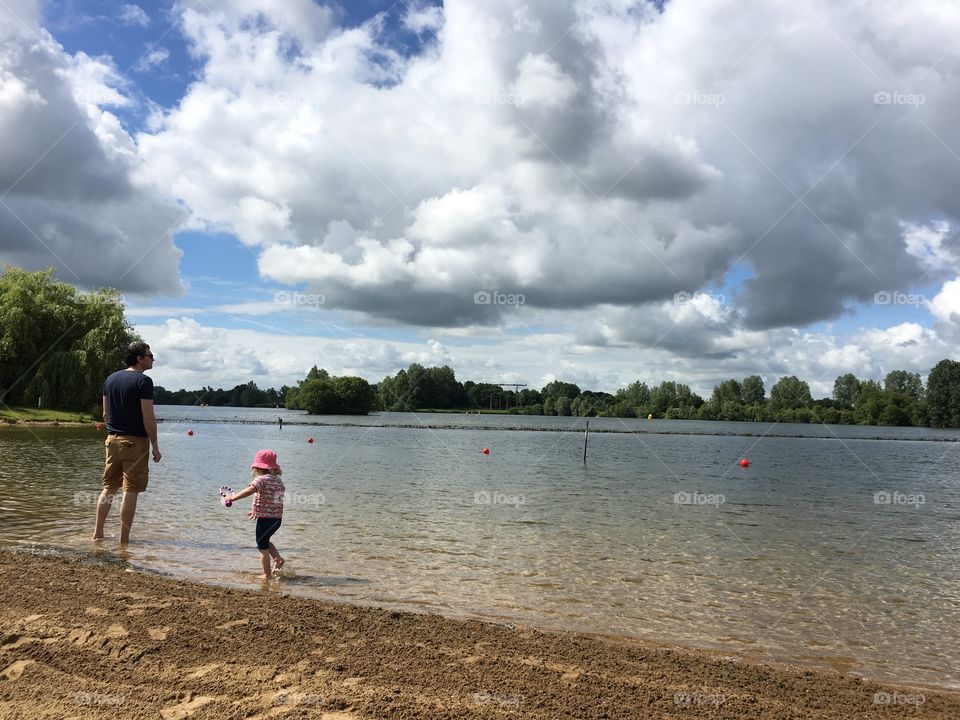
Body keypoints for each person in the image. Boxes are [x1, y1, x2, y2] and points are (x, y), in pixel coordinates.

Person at [93, 341, 162, 544]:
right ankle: (124, 540)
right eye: (150, 356)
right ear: (139, 358)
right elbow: (148, 418)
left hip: (112, 439)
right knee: (130, 490)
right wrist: (155, 446)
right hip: (135, 442)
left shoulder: (111, 379)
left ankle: (98, 533)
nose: (152, 359)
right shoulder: (143, 381)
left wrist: (112, 433)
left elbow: (105, 413)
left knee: (108, 488)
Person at [226, 449, 286, 578]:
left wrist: (233, 497)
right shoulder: (278, 481)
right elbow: (274, 501)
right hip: (277, 519)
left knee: (261, 546)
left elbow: (250, 490)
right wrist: (257, 510)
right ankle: (278, 559)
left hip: (266, 519)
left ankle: (267, 575)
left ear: (257, 467)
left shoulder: (261, 480)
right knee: (265, 540)